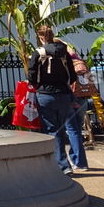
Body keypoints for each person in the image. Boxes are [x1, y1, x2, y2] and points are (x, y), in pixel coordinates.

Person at [27, 25, 76, 172]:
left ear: (41, 38)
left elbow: (31, 74)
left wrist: (35, 85)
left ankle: (61, 165)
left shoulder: (38, 52)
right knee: (60, 129)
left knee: (51, 130)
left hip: (45, 94)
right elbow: (72, 75)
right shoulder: (64, 52)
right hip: (64, 93)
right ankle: (61, 163)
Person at [59, 45, 94, 172]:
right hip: (83, 98)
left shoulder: (65, 63)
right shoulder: (81, 63)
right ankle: (76, 159)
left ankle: (80, 162)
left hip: (70, 98)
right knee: (77, 130)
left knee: (72, 130)